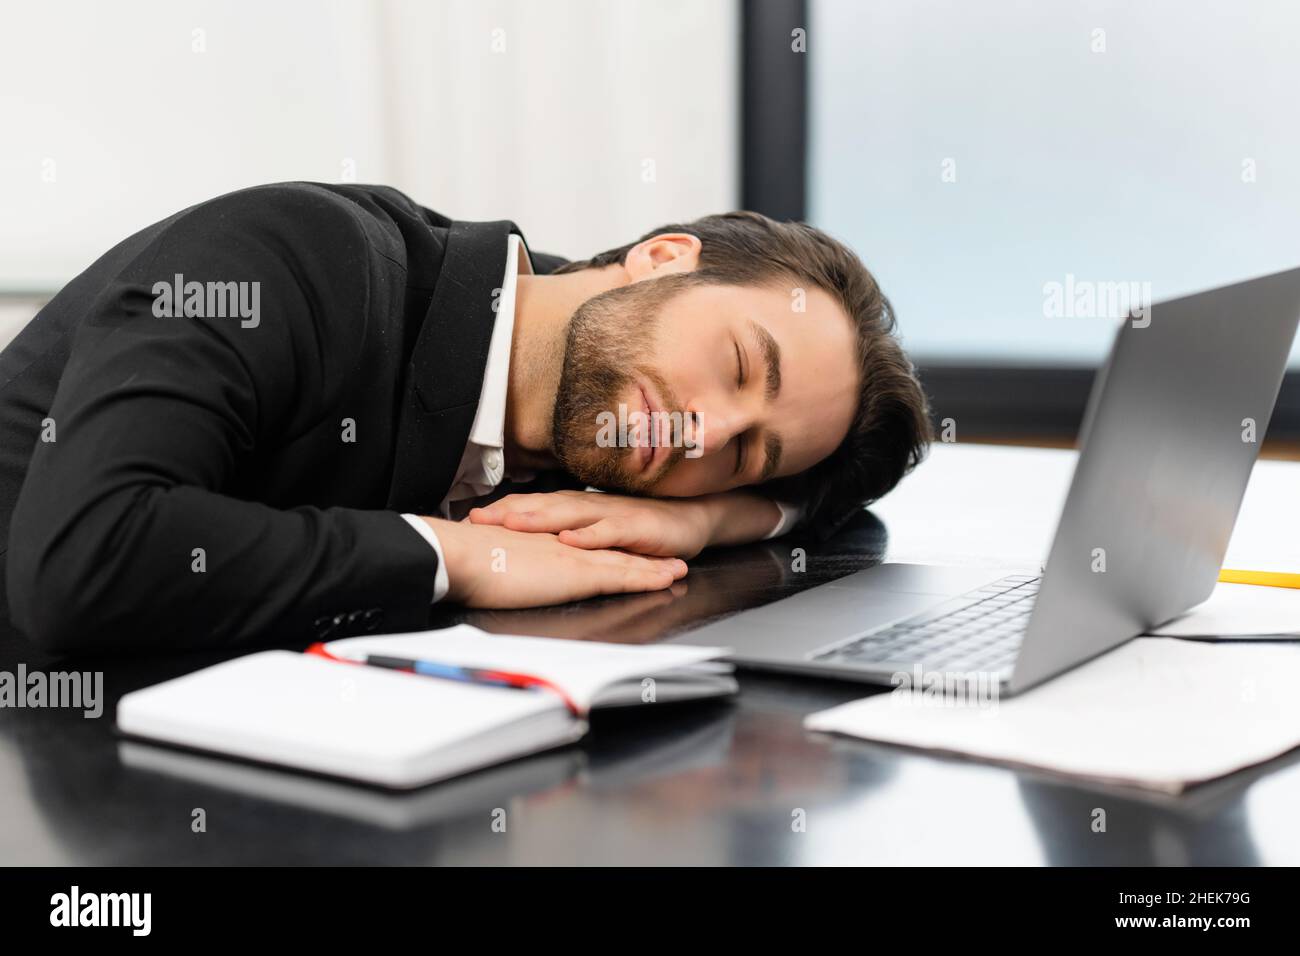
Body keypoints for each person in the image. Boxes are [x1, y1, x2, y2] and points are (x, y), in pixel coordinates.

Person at [0, 182, 930, 654]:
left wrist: (711, 514)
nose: (703, 431)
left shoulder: (594, 386)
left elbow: (843, 496)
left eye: (743, 454)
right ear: (660, 258)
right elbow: (87, 561)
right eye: (734, 364)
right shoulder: (298, 259)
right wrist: (462, 558)